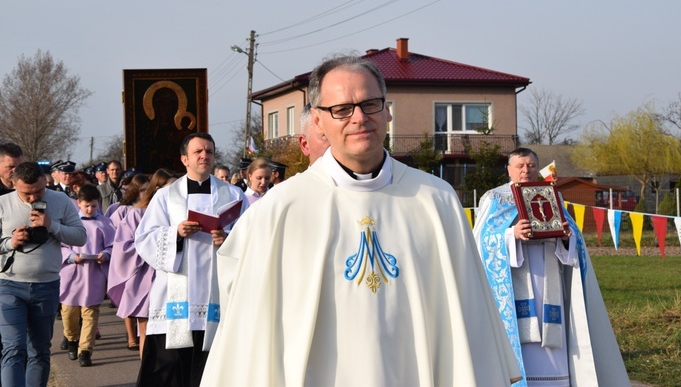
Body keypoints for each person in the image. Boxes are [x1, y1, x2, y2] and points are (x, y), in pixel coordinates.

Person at [201, 54, 521, 386]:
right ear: (319, 121)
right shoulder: (280, 209)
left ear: (387, 111)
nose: (359, 118)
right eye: (341, 109)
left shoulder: (435, 200)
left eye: (370, 104)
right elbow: (250, 328)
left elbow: (468, 318)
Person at [473, 148, 629, 386]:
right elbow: (481, 240)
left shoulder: (549, 195)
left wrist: (567, 236)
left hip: (549, 277)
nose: (527, 170)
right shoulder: (494, 198)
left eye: (531, 165)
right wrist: (511, 234)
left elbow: (573, 237)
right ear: (509, 169)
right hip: (514, 279)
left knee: (552, 333)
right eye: (521, 166)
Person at [134, 133, 249, 386]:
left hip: (218, 294)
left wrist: (227, 238)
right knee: (171, 367)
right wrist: (176, 232)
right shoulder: (165, 196)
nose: (204, 155)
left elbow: (252, 238)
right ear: (184, 158)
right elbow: (143, 239)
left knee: (211, 368)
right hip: (176, 296)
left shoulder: (234, 195)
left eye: (209, 151)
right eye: (198, 151)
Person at [0, 162, 87, 385]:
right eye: (26, 193)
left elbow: (80, 237)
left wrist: (51, 225)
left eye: (38, 191)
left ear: (45, 180)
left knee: (39, 350)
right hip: (9, 286)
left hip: (46, 285)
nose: (32, 198)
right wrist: (11, 242)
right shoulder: (2, 204)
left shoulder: (61, 200)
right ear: (13, 184)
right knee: (13, 348)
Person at [109, 168, 176, 357]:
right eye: (168, 189)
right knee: (146, 329)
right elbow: (124, 247)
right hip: (146, 277)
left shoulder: (180, 214)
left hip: (173, 277)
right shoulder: (137, 214)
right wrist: (152, 249)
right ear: (156, 190)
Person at [59, 184, 115, 367]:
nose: (90, 209)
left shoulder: (105, 223)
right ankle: (72, 339)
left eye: (93, 205)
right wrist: (70, 256)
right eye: (86, 206)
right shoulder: (70, 222)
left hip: (93, 275)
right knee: (68, 312)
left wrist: (106, 254)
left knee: (90, 314)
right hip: (73, 275)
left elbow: (113, 245)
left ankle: (86, 351)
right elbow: (61, 245)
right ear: (79, 203)